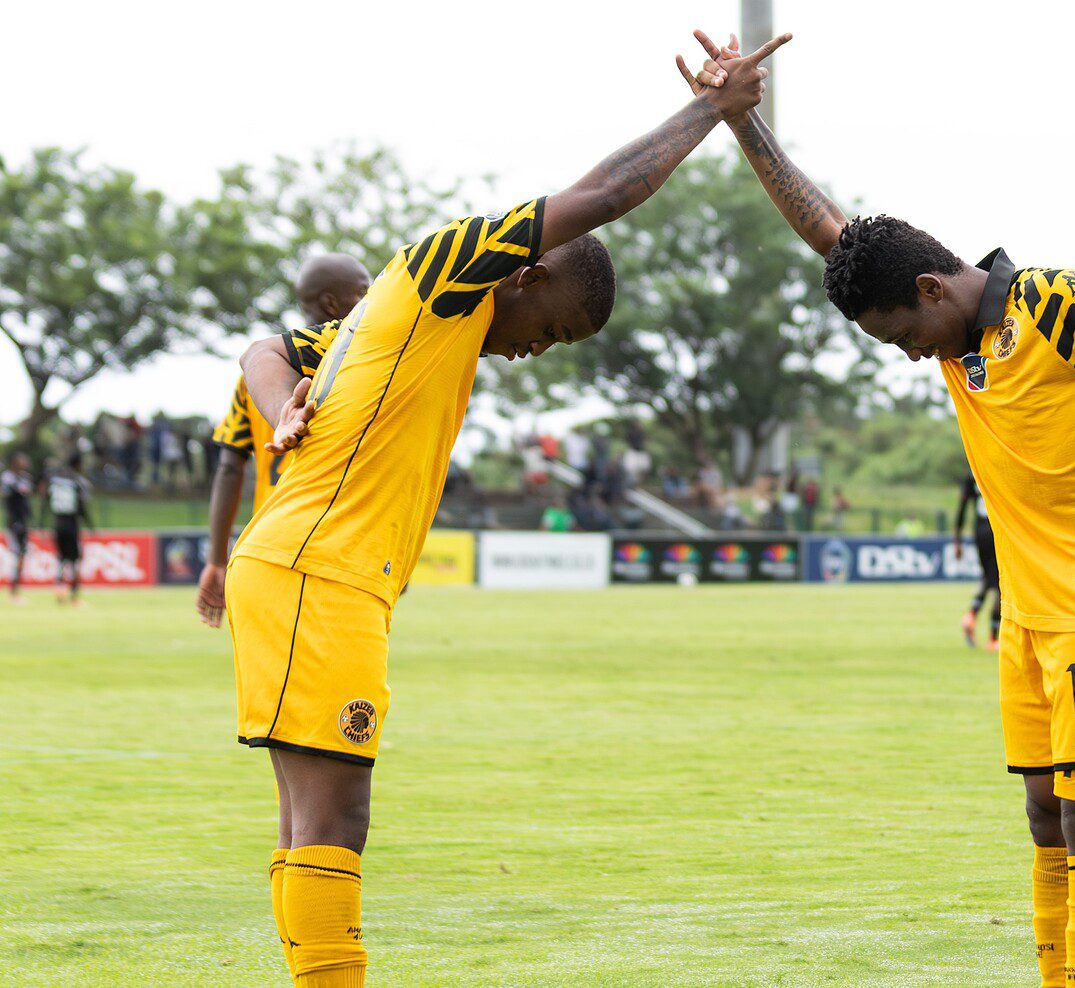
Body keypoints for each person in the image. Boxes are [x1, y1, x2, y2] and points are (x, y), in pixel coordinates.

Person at [227, 36, 783, 987]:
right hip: (318, 571)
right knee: (334, 821)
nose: (538, 352)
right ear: (526, 276)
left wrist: (282, 399)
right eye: (552, 329)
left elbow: (263, 344)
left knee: (308, 819)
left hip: (315, 573)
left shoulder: (399, 319)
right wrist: (714, 112)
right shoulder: (449, 269)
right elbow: (602, 195)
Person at [683, 39, 1075, 986]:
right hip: (1030, 619)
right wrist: (740, 122)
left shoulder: (1055, 301)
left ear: (932, 291)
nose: (904, 354)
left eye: (899, 334)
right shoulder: (950, 334)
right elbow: (834, 233)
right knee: (1045, 816)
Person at [197, 254, 371, 628]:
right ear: (330, 304)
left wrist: (216, 560)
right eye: (364, 291)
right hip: (338, 544)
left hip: (271, 540)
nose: (372, 299)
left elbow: (230, 467)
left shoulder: (257, 377)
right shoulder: (362, 368)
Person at [953, 473, 1000, 650]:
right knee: (1001, 585)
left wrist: (957, 540)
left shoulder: (971, 474)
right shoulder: (995, 468)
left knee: (988, 579)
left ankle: (971, 616)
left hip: (979, 533)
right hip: (996, 531)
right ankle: (993, 639)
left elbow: (962, 509)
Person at [41, 454, 94, 605]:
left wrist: (41, 524)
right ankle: (74, 597)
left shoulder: (55, 481)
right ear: (78, 465)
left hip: (57, 525)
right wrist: (90, 526)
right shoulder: (77, 481)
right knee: (76, 560)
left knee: (61, 559)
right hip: (71, 526)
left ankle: (59, 589)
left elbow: (45, 501)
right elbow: (81, 507)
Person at [2, 452, 34, 602]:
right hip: (14, 522)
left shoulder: (26, 478)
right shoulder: (8, 478)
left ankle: (16, 590)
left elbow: (27, 499)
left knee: (21, 555)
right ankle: (13, 592)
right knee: (16, 554)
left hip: (23, 522)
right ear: (14, 461)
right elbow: (6, 496)